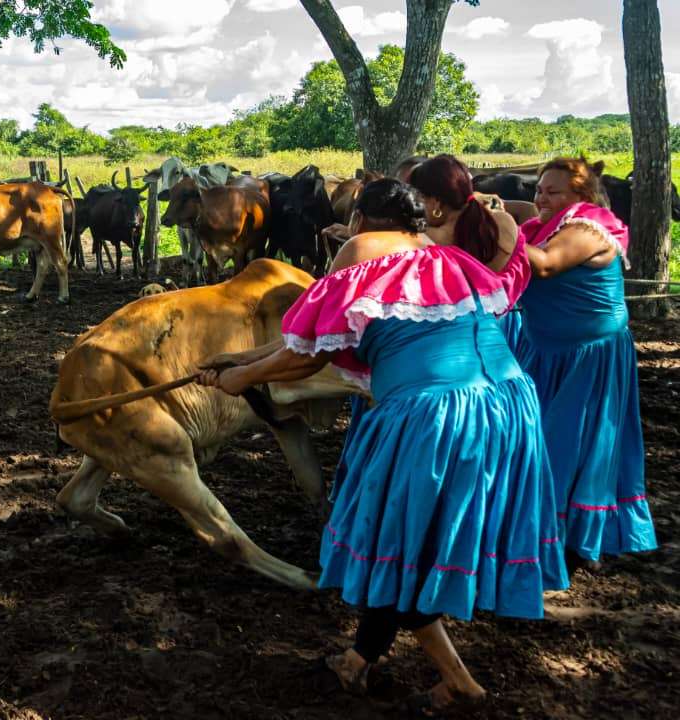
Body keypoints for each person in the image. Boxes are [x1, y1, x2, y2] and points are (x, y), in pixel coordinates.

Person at [199, 179, 566, 715]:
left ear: (360, 222)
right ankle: (358, 660)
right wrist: (237, 361)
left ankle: (458, 682)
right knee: (407, 543)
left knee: (394, 545)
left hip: (431, 416)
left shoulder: (358, 254)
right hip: (505, 407)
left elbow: (306, 358)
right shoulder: (451, 262)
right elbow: (310, 336)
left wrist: (242, 379)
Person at [516, 157, 656, 566]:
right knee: (538, 439)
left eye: (553, 191)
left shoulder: (586, 230)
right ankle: (542, 529)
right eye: (539, 189)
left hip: (587, 357)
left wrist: (497, 233)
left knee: (572, 444)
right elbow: (519, 213)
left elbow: (544, 265)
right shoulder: (545, 225)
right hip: (544, 351)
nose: (541, 197)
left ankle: (574, 537)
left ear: (581, 196)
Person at [408, 154, 524, 350]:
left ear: (435, 203)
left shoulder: (424, 238)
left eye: (416, 199)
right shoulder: (503, 223)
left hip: (455, 340)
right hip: (507, 332)